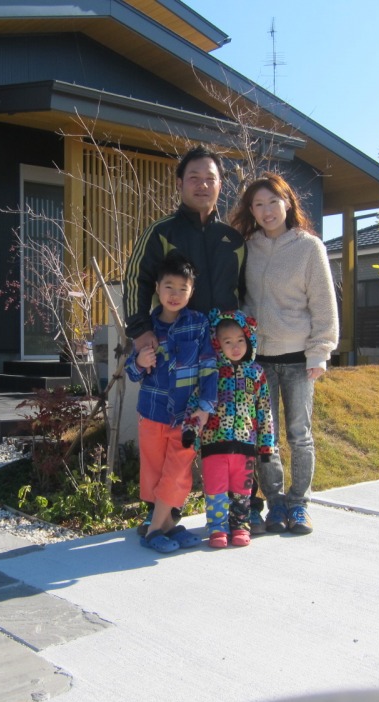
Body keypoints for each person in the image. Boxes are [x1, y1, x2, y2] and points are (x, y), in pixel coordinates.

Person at [124, 145, 245, 536]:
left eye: (210, 178)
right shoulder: (162, 233)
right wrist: (143, 333)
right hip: (175, 352)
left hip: (222, 355)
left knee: (224, 433)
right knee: (165, 439)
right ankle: (158, 517)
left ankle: (231, 515)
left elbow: (245, 293)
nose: (202, 184)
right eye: (194, 177)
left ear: (220, 185)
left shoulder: (234, 240)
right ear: (180, 184)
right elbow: (135, 283)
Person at [230, 173, 338, 535]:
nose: (265, 211)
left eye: (272, 202)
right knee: (266, 437)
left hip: (297, 359)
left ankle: (300, 504)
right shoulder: (249, 246)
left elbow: (323, 305)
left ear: (288, 203)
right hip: (259, 358)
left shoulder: (309, 248)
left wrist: (319, 352)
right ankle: (275, 504)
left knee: (299, 434)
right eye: (257, 205)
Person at [125, 255, 217, 553]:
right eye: (169, 286)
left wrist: (205, 406)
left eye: (183, 288)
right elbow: (130, 370)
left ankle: (152, 531)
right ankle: (166, 526)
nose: (175, 294)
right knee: (153, 470)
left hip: (187, 415)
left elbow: (208, 365)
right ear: (157, 288)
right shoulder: (147, 329)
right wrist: (140, 360)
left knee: (179, 470)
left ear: (191, 291)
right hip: (151, 412)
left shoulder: (199, 324)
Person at [183, 309, 275, 548]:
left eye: (240, 340)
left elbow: (265, 410)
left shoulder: (256, 374)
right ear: (217, 343)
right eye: (228, 342)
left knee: (242, 491)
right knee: (215, 489)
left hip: (245, 445)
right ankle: (217, 527)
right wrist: (191, 434)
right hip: (214, 443)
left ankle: (240, 526)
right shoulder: (211, 372)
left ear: (249, 340)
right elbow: (195, 402)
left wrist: (266, 445)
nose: (235, 347)